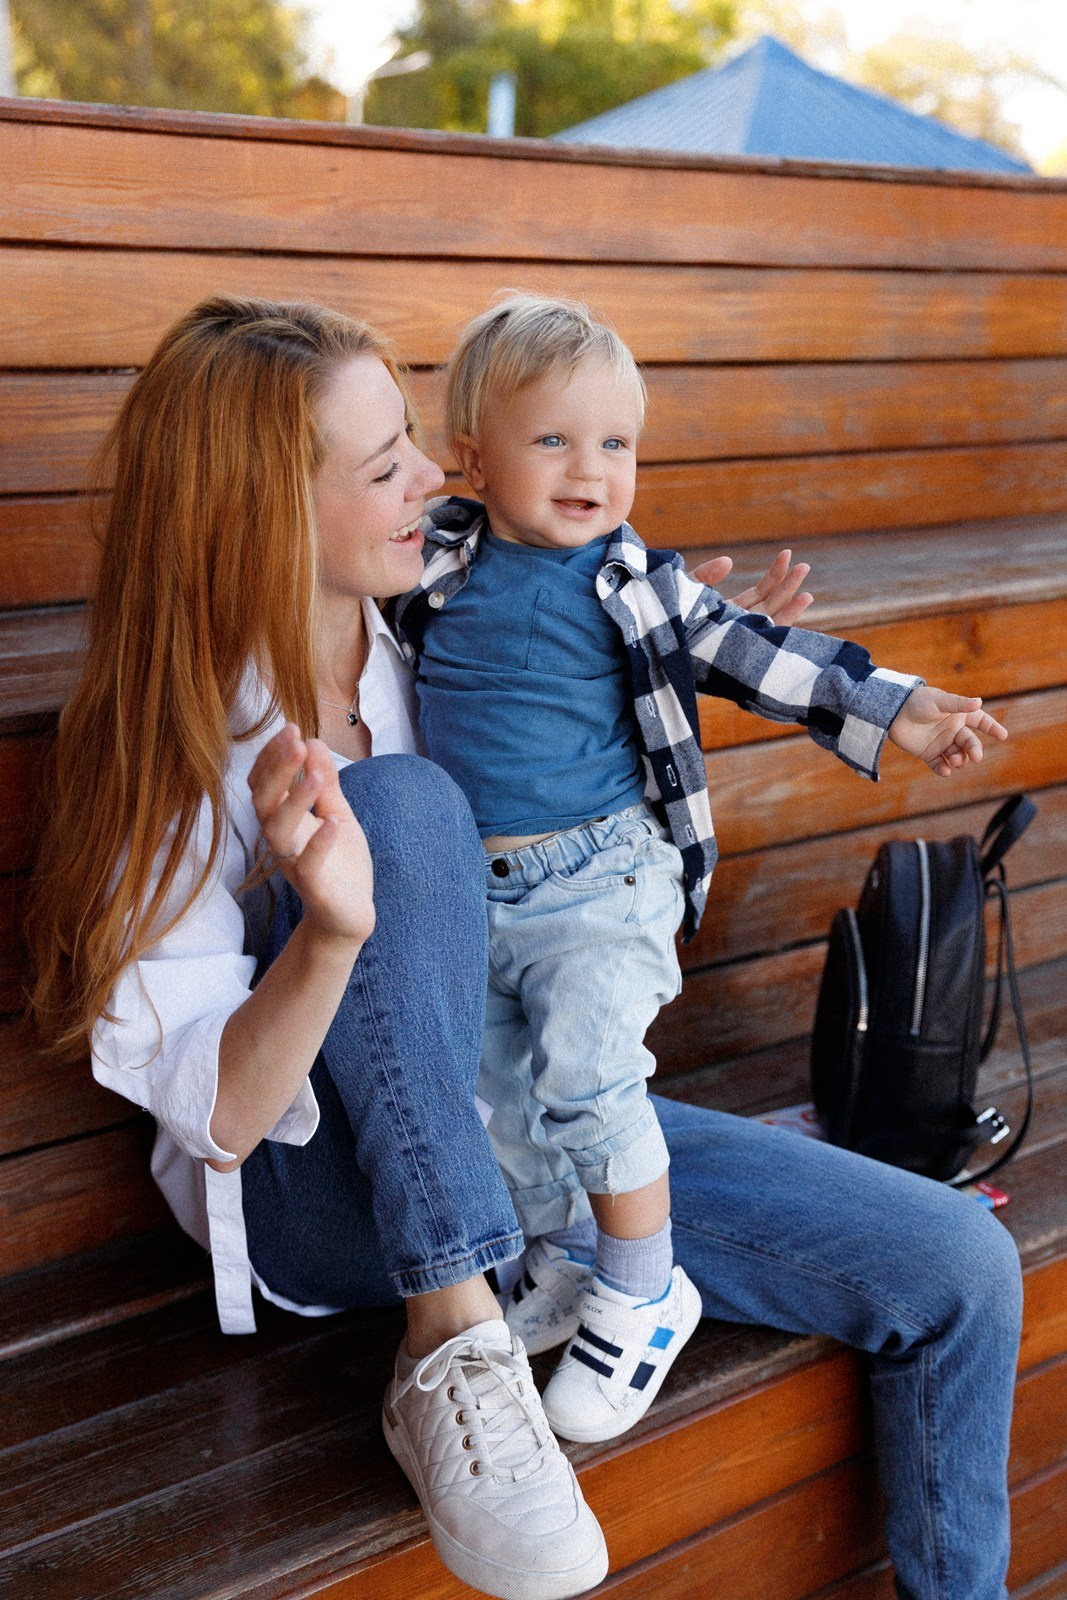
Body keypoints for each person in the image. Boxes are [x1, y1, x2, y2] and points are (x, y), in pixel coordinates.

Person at [25, 294, 1021, 1600]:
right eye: (387, 464)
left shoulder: (425, 636)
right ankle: (454, 1345)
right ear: (268, 511)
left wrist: (623, 657)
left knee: (957, 1269)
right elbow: (217, 1120)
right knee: (402, 810)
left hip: (522, 1119)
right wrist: (330, 932)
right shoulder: (176, 743)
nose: (433, 475)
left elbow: (571, 689)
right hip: (322, 1206)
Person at [392, 292, 1013, 1453]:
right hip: (482, 889)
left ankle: (641, 1289)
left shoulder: (631, 581)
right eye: (553, 441)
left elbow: (767, 658)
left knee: (583, 1075)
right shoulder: (435, 566)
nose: (591, 469)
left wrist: (905, 711)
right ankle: (558, 1270)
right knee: (499, 1100)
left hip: (601, 880)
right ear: (471, 459)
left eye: (615, 443)